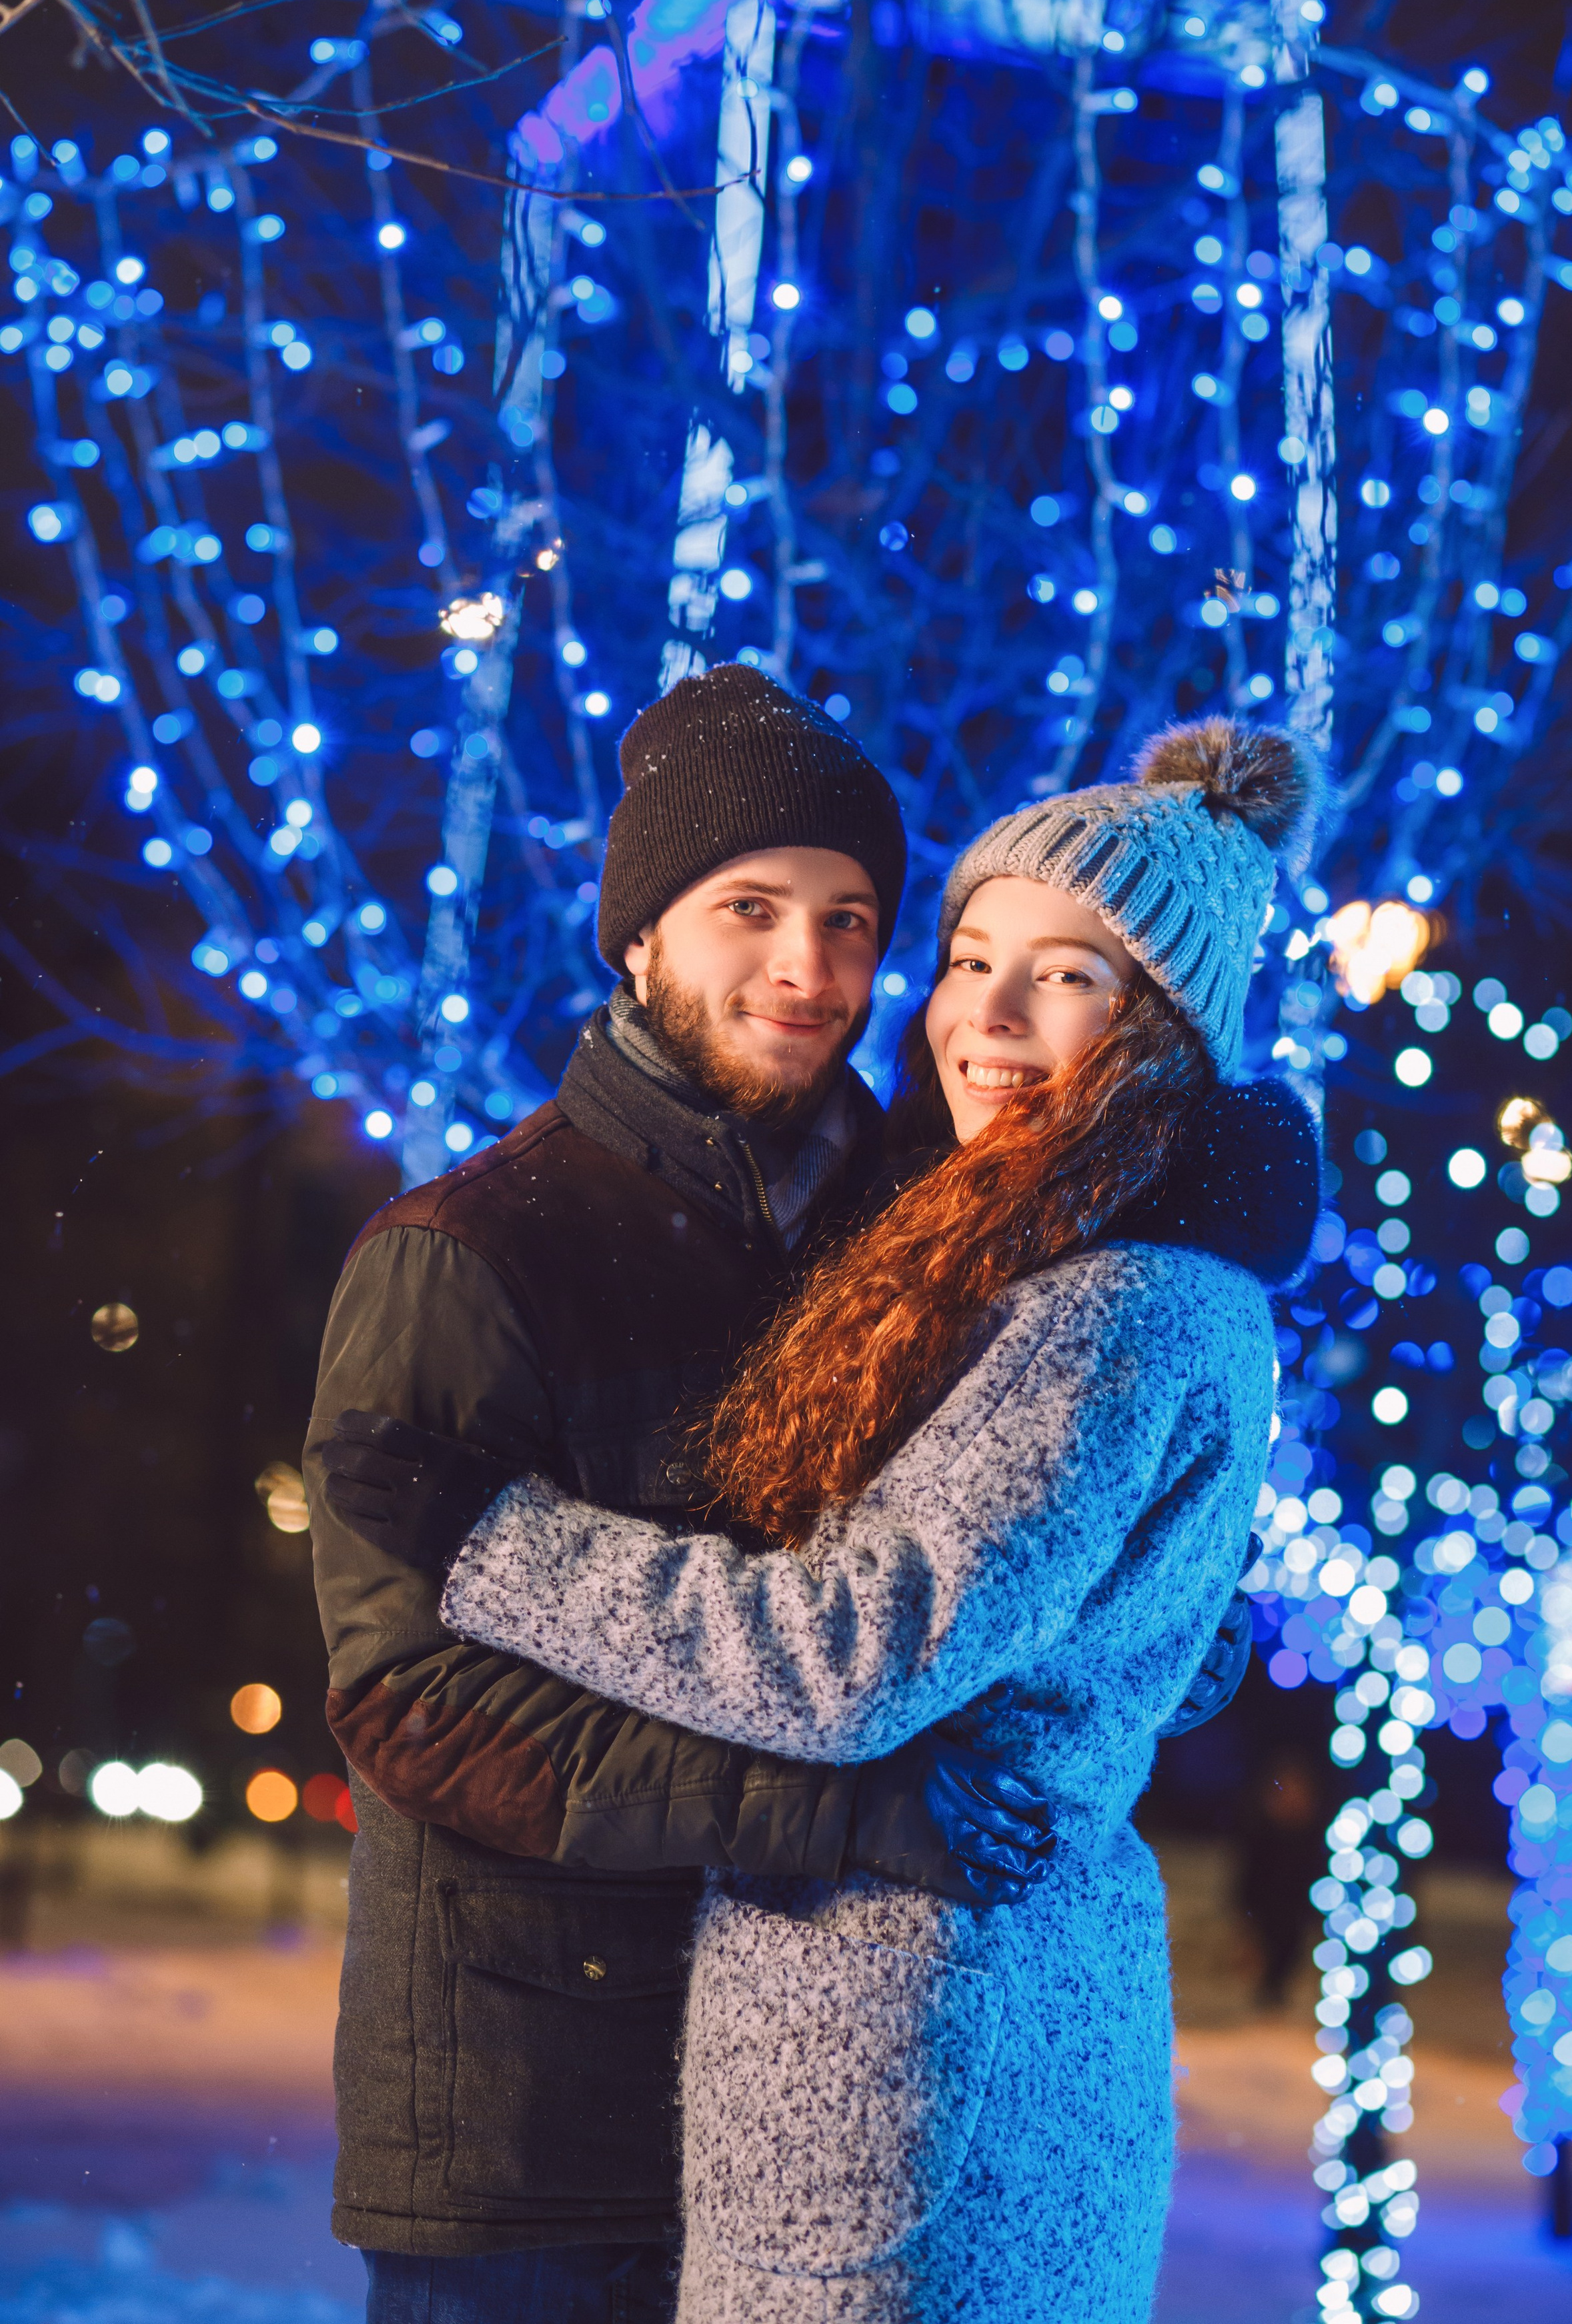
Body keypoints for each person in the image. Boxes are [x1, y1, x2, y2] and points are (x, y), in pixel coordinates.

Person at [326, 715, 1322, 2324]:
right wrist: (831, 1810)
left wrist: (1125, 1642)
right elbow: (412, 1703)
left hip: (832, 2066)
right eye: (747, 909)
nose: (806, 966)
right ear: (640, 930)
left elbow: (912, 1618)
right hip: (538, 2102)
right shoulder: (469, 1251)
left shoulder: (925, 1219)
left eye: (851, 920)